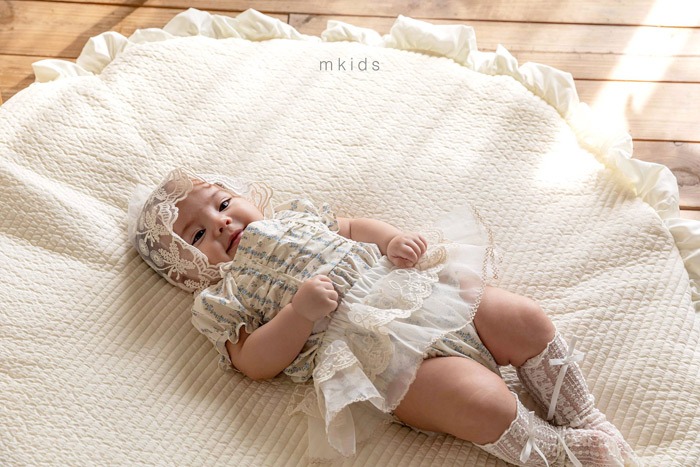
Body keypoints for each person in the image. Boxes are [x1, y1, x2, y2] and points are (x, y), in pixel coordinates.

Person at [127, 167, 638, 466]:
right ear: (185, 271)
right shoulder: (222, 296)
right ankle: (559, 450)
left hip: (426, 295)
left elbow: (354, 227)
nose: (220, 223)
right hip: (381, 358)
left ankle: (580, 413)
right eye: (196, 235)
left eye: (222, 203)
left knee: (522, 317)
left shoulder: (296, 215)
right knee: (480, 402)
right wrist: (298, 315)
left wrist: (392, 240)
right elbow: (252, 361)